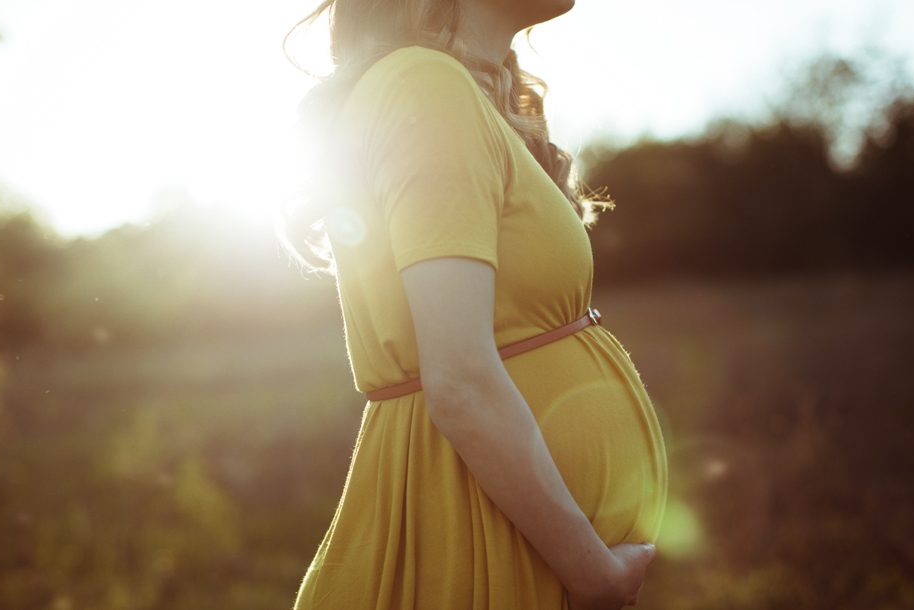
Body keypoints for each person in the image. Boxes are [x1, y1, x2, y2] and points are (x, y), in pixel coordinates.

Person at [277, 1, 669, 608]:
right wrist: (595, 573)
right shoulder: (425, 86)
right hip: (477, 530)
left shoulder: (454, 90)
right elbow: (458, 378)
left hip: (510, 530)